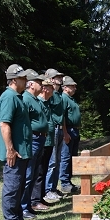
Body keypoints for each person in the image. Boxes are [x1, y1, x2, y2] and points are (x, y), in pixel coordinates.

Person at [0, 64, 33, 220]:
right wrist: (10, 149)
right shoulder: (9, 97)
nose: (26, 80)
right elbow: (4, 124)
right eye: (22, 78)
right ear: (13, 80)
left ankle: (17, 217)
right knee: (12, 186)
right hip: (14, 152)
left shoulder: (18, 97)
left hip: (22, 151)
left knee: (19, 186)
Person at [20, 70, 49, 220]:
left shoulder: (35, 99)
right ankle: (23, 208)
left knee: (34, 174)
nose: (42, 85)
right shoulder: (25, 99)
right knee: (28, 174)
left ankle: (29, 204)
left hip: (40, 140)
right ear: (30, 84)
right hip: (33, 140)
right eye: (39, 82)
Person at [44, 68, 69, 204]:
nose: (60, 79)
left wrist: (65, 132)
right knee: (52, 162)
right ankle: (48, 190)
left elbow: (62, 115)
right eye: (57, 77)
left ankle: (53, 188)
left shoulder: (59, 95)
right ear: (52, 79)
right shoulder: (49, 94)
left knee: (58, 161)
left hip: (60, 130)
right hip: (52, 129)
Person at [30, 77, 56, 211]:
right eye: (51, 87)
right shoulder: (38, 102)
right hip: (42, 141)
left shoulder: (46, 102)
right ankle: (34, 200)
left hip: (48, 140)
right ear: (45, 88)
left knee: (43, 169)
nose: (54, 89)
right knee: (38, 171)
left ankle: (40, 198)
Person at [59, 76, 81, 195]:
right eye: (72, 86)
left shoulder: (71, 99)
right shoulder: (63, 98)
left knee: (72, 156)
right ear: (65, 87)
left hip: (75, 131)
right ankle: (64, 182)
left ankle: (69, 181)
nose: (75, 88)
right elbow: (62, 117)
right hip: (68, 130)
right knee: (66, 157)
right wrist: (65, 133)